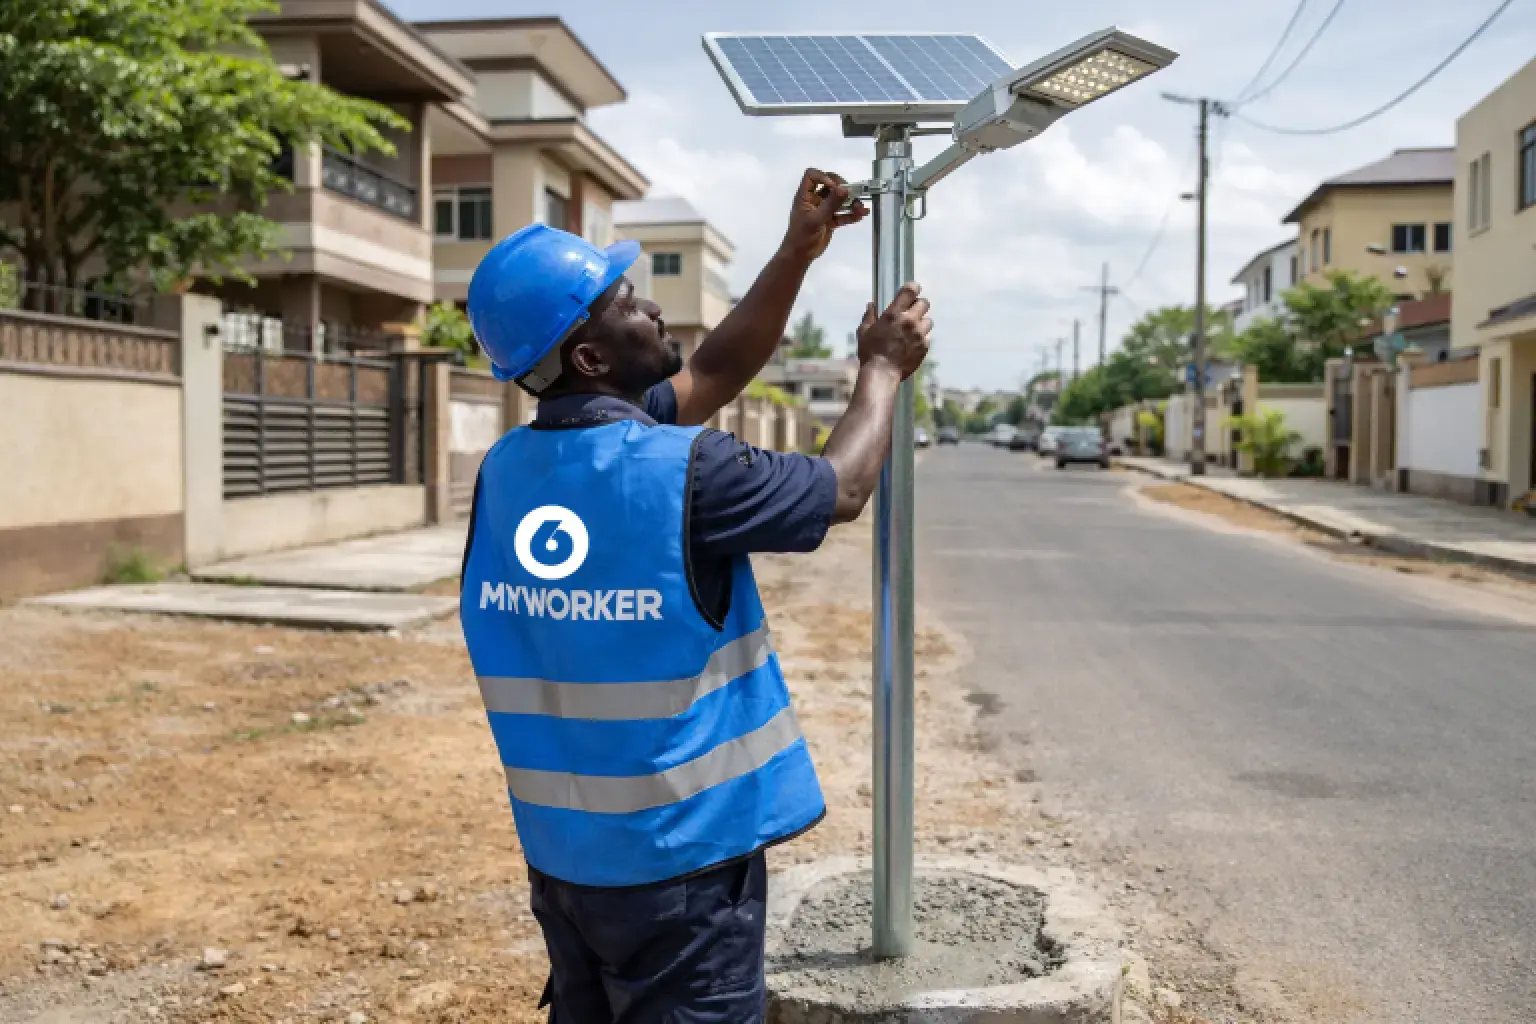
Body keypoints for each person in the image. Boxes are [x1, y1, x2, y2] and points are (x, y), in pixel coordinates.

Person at [459, 169, 933, 1024]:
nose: (654, 313)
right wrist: (882, 370)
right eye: (628, 304)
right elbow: (843, 489)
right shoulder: (685, 469)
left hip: (567, 864)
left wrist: (798, 251)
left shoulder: (507, 473)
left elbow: (714, 366)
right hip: (678, 869)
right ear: (591, 357)